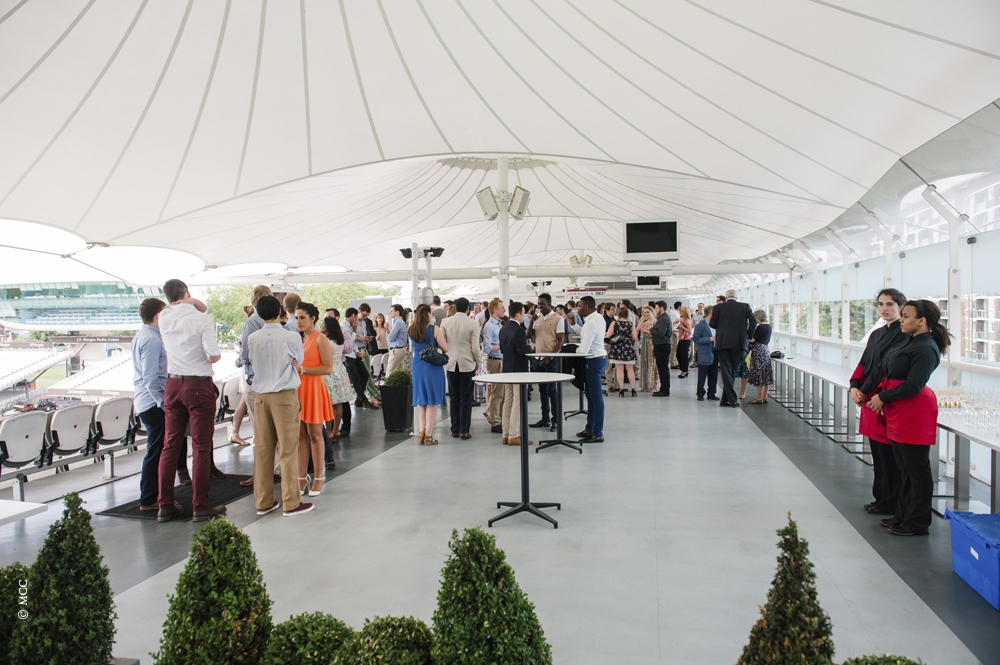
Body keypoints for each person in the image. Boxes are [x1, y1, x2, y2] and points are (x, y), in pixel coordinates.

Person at [864, 300, 949, 537]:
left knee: (916, 468)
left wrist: (882, 396)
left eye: (907, 316)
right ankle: (902, 514)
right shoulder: (910, 341)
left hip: (913, 410)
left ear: (922, 321)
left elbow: (914, 384)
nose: (901, 320)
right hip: (899, 407)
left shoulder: (926, 348)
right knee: (903, 467)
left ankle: (917, 522)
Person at [155, 279, 224, 523]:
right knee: (201, 447)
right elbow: (213, 355)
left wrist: (186, 300)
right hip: (198, 384)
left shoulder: (164, 317)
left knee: (170, 445)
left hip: (173, 383)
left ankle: (164, 504)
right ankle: (200, 505)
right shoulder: (201, 319)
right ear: (187, 292)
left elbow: (190, 305)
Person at [246, 295, 313, 517]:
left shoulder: (253, 338)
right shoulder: (291, 336)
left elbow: (248, 361)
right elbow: (299, 361)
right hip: (284, 396)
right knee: (288, 450)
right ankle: (291, 503)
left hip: (261, 396)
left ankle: (263, 502)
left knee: (263, 450)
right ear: (280, 311)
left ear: (259, 313)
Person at [850, 288, 908, 516]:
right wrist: (854, 385)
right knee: (877, 450)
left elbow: (884, 367)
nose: (885, 308)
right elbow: (864, 361)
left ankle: (890, 500)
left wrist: (863, 390)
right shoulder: (876, 334)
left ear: (900, 307)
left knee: (888, 452)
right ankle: (881, 497)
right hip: (870, 395)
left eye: (890, 304)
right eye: (881, 304)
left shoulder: (903, 334)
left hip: (882, 397)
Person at [134, 298, 187, 510]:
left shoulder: (143, 336)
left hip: (147, 402)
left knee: (157, 449)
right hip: (153, 403)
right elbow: (150, 377)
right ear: (158, 316)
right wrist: (163, 403)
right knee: (157, 451)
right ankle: (150, 497)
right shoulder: (152, 340)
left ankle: (153, 495)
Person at [294, 303, 333, 497]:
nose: (298, 321)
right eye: (296, 318)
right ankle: (301, 477)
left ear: (312, 319)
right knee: (300, 436)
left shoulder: (320, 338)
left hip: (314, 389)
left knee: (316, 435)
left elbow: (328, 368)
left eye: (302, 317)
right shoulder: (298, 339)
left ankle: (318, 477)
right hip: (298, 389)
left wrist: (302, 369)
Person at [233, 285, 274, 448]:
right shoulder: (278, 323)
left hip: (256, 378)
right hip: (275, 378)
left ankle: (264, 463)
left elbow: (246, 352)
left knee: (259, 426)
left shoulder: (251, 323)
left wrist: (239, 361)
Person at [440, 297, 481, 440]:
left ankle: (455, 429)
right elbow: (475, 348)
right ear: (468, 308)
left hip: (451, 363)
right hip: (467, 363)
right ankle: (464, 430)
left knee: (454, 397)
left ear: (455, 307)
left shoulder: (445, 322)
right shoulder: (473, 323)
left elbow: (442, 344)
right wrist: (478, 363)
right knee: (466, 398)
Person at [409, 304, 449, 445]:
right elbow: (445, 348)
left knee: (422, 401)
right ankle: (428, 435)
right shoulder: (434, 329)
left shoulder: (411, 329)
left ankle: (421, 432)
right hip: (432, 366)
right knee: (432, 401)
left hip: (417, 365)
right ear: (427, 314)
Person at [710, 290, 756, 408]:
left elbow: (712, 324)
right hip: (739, 343)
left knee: (726, 370)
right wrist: (748, 335)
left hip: (723, 342)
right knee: (732, 370)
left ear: (726, 297)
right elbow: (754, 321)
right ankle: (728, 399)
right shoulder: (744, 306)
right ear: (736, 297)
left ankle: (728, 399)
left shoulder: (718, 307)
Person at [528, 293, 565, 431]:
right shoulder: (537, 318)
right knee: (542, 389)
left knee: (552, 390)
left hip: (551, 360)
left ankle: (556, 420)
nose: (540, 306)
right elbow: (528, 335)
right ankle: (545, 419)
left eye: (542, 304)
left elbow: (560, 341)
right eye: (538, 304)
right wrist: (531, 322)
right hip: (538, 358)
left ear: (549, 303)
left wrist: (549, 357)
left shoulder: (558, 319)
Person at [574, 296, 607, 443]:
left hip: (593, 361)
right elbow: (585, 334)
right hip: (599, 358)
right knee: (591, 396)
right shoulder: (597, 318)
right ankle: (590, 428)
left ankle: (597, 432)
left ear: (586, 307)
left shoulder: (591, 323)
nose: (578, 309)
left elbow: (583, 350)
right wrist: (574, 325)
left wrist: (573, 350)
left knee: (595, 397)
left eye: (579, 306)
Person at [499, 302, 531, 445]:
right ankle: (514, 435)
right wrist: (530, 347)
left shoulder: (503, 329)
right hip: (518, 370)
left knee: (508, 401)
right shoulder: (518, 330)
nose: (524, 316)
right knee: (518, 401)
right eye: (523, 313)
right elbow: (522, 351)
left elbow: (503, 350)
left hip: (507, 369)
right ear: (518, 315)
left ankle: (506, 434)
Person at [322, 316, 353, 442]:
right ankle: (336, 430)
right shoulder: (339, 341)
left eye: (323, 324)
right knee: (338, 403)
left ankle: (328, 431)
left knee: (329, 404)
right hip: (339, 369)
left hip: (329, 371)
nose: (321, 325)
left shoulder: (325, 341)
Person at [482, 298, 506, 434]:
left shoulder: (499, 324)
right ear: (495, 310)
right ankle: (495, 421)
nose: (504, 310)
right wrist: (503, 344)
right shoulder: (489, 326)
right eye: (502, 308)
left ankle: (499, 418)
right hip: (495, 361)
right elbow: (487, 348)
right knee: (497, 393)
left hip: (501, 360)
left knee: (501, 392)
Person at [607, 307, 639, 397]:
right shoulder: (631, 324)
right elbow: (634, 337)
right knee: (630, 369)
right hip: (628, 347)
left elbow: (608, 335)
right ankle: (633, 389)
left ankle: (621, 389)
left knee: (619, 369)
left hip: (617, 347)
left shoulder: (614, 323)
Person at [746, 309, 773, 404]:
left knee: (759, 375)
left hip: (758, 351)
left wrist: (745, 338)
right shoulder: (769, 326)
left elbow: (753, 339)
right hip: (765, 350)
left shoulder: (760, 327)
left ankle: (759, 398)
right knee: (766, 374)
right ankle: (765, 397)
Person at [357, 304, 382, 405]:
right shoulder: (353, 323)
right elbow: (350, 337)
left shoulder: (364, 323)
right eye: (364, 315)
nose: (365, 317)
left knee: (368, 374)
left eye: (366, 316)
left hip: (364, 347)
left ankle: (372, 395)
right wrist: (361, 338)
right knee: (366, 374)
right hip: (358, 350)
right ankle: (375, 394)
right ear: (359, 311)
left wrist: (366, 339)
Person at [693, 305, 718, 401]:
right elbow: (696, 339)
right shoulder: (700, 325)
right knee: (702, 375)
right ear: (710, 315)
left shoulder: (717, 325)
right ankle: (700, 393)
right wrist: (709, 339)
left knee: (713, 374)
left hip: (715, 352)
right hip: (704, 353)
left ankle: (712, 393)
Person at [650, 301, 672, 397]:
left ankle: (665, 390)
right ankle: (663, 389)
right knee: (662, 368)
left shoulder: (663, 319)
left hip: (663, 345)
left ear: (662, 308)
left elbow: (660, 333)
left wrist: (651, 329)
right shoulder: (662, 318)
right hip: (661, 345)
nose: (656, 310)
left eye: (657, 308)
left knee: (663, 369)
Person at [636, 306, 659, 393]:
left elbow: (656, 333)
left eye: (647, 312)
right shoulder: (645, 322)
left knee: (652, 363)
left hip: (652, 343)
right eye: (644, 312)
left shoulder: (655, 322)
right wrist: (642, 319)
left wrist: (646, 331)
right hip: (644, 344)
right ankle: (645, 385)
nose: (646, 314)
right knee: (644, 363)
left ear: (652, 312)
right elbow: (638, 328)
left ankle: (652, 385)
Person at [386, 304, 408, 374]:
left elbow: (391, 338)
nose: (390, 312)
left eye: (392, 311)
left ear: (397, 312)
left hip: (396, 350)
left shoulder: (398, 323)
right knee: (399, 373)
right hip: (400, 349)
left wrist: (389, 333)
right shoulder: (398, 322)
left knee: (390, 372)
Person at [675, 306, 694, 378]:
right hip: (681, 339)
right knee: (679, 355)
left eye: (682, 311)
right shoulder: (682, 319)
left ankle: (684, 370)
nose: (680, 312)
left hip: (686, 340)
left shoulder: (687, 320)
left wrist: (682, 327)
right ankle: (683, 369)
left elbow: (690, 331)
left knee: (684, 356)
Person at [668, 301, 681, 369]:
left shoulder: (678, 314)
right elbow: (671, 323)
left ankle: (675, 362)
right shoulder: (674, 314)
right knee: (674, 348)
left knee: (676, 348)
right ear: (679, 307)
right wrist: (672, 331)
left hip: (678, 332)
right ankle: (673, 363)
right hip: (675, 332)